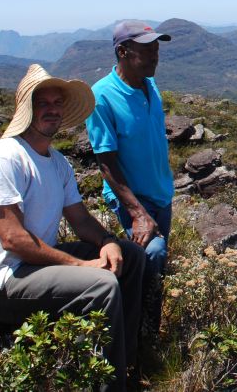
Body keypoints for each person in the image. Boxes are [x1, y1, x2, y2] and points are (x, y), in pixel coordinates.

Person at [0, 64, 145, 391]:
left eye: (57, 103)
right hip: (1, 282)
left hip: (32, 266)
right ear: (26, 110)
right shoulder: (4, 158)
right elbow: (13, 239)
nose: (52, 110)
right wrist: (80, 266)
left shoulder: (57, 163)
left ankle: (124, 361)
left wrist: (106, 241)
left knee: (129, 256)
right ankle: (109, 385)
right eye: (43, 103)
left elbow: (80, 219)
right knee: (101, 285)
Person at [86, 20, 173, 330]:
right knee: (151, 254)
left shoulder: (150, 84)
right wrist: (137, 213)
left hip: (163, 193)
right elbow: (106, 161)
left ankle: (152, 321)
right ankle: (134, 334)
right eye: (147, 49)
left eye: (157, 48)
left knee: (156, 267)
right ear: (122, 51)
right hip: (134, 200)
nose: (155, 56)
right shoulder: (101, 97)